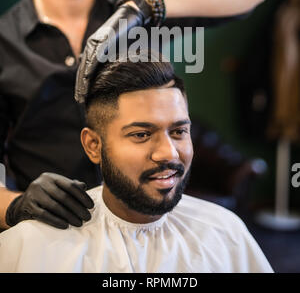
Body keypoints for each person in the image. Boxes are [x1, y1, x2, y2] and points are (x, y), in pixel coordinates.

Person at [0, 0, 273, 231]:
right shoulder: (4, 44)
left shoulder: (144, 9)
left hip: (151, 232)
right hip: (54, 235)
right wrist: (17, 205)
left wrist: (145, 6)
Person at [0, 53, 273, 273]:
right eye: (141, 135)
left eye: (178, 132)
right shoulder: (34, 243)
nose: (168, 153)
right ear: (93, 146)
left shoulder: (225, 231)